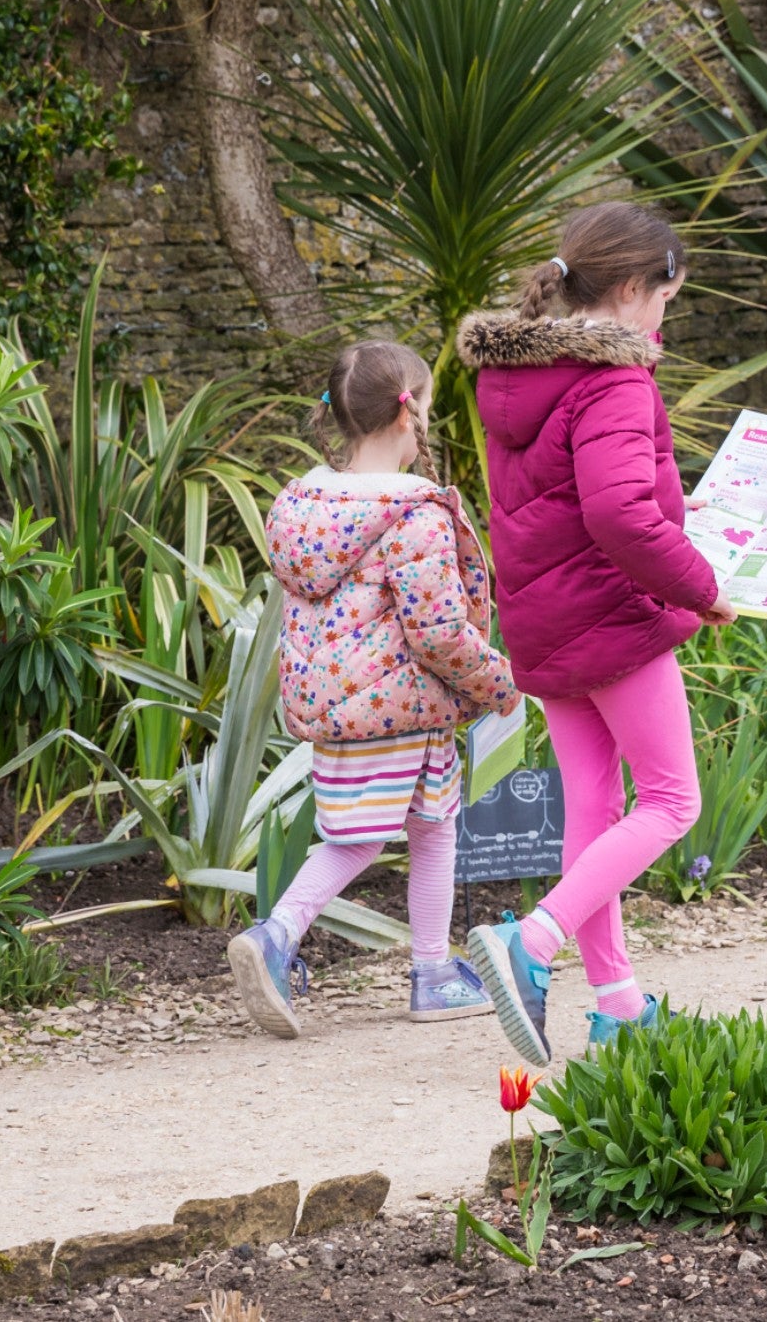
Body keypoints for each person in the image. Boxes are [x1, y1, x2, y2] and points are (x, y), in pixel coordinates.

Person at [457, 202, 736, 1064]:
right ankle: (529, 945)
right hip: (613, 616)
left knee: (594, 805)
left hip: (545, 617)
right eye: (664, 299)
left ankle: (616, 1002)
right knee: (671, 801)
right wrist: (704, 588)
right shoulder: (614, 381)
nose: (664, 318)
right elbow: (620, 513)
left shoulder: (515, 376)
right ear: (626, 289)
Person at [230, 340, 520, 1037]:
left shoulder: (305, 503)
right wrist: (501, 682)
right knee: (370, 839)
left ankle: (434, 970)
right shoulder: (413, 515)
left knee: (424, 824)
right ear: (406, 414)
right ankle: (278, 936)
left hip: (343, 707)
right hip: (403, 706)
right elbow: (440, 631)